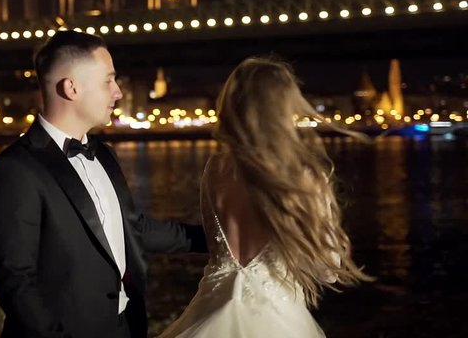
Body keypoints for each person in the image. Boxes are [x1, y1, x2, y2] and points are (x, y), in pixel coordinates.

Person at [0, 31, 204, 338]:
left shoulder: (105, 155)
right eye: (108, 81)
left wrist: (217, 239)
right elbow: (16, 284)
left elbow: (130, 231)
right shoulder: (14, 172)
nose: (118, 92)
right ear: (71, 88)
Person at [159, 57, 373, 337]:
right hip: (276, 319)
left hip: (209, 308)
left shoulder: (215, 168)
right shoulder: (303, 176)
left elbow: (215, 242)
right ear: (282, 108)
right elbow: (327, 271)